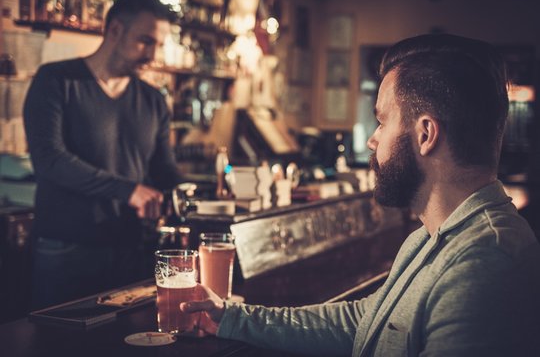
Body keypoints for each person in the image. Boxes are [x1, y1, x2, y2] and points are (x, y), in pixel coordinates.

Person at [180, 34, 540, 356]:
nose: (372, 139)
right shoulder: (430, 238)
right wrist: (230, 317)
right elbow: (367, 321)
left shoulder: (484, 263)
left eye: (382, 122)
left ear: (426, 134)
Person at [23, 0, 182, 309]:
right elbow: (49, 160)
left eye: (158, 45)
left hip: (131, 246)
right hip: (67, 247)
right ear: (115, 30)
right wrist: (128, 190)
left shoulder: (153, 100)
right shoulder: (56, 81)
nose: (151, 54)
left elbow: (164, 169)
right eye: (144, 41)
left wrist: (201, 194)